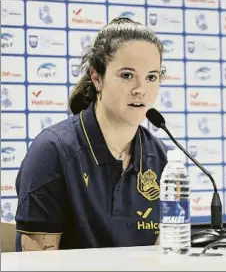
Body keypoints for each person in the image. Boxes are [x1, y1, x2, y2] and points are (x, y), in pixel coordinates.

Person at [15, 17, 168, 250]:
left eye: (151, 77)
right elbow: (38, 264)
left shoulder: (159, 155)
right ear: (97, 78)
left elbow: (164, 254)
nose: (140, 90)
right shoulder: (53, 150)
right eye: (127, 75)